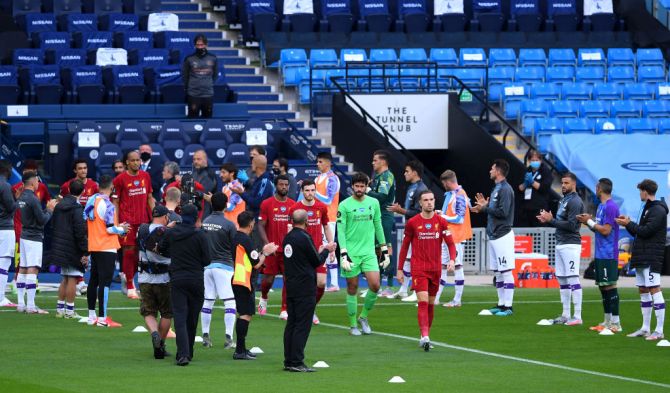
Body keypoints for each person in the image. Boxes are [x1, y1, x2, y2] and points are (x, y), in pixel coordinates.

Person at [397, 190, 457, 350]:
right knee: (422, 302)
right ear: (420, 203)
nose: (429, 202)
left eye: (431, 199)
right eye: (426, 200)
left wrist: (452, 259)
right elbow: (404, 247)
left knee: (431, 304)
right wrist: (400, 269)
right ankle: (425, 335)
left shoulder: (441, 222)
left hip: (435, 269)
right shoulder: (413, 222)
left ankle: (425, 336)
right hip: (419, 269)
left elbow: (450, 243)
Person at [282, 209, 335, 372]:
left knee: (292, 324)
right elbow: (316, 261)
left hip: (291, 285)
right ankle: (297, 361)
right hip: (305, 287)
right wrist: (327, 249)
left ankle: (289, 360)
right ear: (307, 221)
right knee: (302, 325)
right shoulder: (304, 238)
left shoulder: (288, 238)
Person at [158, 204, 211, 366]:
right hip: (196, 278)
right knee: (192, 318)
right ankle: (189, 351)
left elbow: (161, 248)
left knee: (180, 317)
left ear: (181, 217)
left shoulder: (172, 233)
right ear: (196, 218)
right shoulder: (200, 235)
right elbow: (207, 260)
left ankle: (183, 354)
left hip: (178, 277)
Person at [616, 179, 668, 341]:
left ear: (646, 191)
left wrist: (629, 223)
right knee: (643, 290)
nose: (639, 194)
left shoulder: (658, 210)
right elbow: (639, 233)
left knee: (654, 289)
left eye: (640, 191)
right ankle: (645, 328)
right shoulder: (648, 208)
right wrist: (629, 224)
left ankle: (659, 331)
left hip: (651, 256)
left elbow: (646, 231)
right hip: (642, 255)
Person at [338, 172, 388, 336]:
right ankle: (353, 325)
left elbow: (378, 225)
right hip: (351, 253)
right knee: (352, 288)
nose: (359, 189)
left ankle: (363, 317)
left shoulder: (373, 203)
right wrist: (343, 252)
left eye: (362, 186)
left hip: (369, 252)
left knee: (375, 285)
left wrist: (384, 248)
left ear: (367, 186)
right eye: (357, 186)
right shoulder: (344, 205)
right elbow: (341, 230)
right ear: (352, 186)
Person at [537, 172, 585, 326]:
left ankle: (577, 316)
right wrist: (550, 220)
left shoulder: (575, 202)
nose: (563, 186)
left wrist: (552, 221)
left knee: (572, 278)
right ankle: (565, 314)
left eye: (566, 183)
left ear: (574, 184)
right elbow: (560, 222)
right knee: (563, 279)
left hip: (571, 244)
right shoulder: (564, 200)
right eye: (562, 183)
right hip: (561, 243)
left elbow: (572, 225)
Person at [471, 159, 516, 316]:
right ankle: (501, 304)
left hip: (503, 235)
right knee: (498, 271)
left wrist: (485, 208)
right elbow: (493, 211)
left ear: (498, 171)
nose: (489, 171)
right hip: (494, 235)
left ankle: (509, 306)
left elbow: (503, 213)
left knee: (506, 270)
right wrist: (484, 208)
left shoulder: (505, 189)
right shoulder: (497, 188)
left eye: (491, 168)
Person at [231, 211, 278, 360]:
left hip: (238, 278)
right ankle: (239, 350)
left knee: (244, 313)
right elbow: (257, 264)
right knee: (245, 314)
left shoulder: (236, 237)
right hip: (243, 280)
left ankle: (242, 348)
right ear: (251, 224)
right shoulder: (245, 239)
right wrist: (266, 252)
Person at [577, 178, 622, 332]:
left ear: (599, 188)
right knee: (603, 287)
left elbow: (606, 230)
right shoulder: (602, 206)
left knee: (610, 285)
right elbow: (598, 229)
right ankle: (607, 322)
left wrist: (589, 222)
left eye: (596, 188)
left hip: (609, 253)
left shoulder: (611, 207)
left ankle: (616, 323)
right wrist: (587, 221)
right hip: (601, 252)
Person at [84, 175, 130, 327]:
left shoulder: (92, 200)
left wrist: (118, 226)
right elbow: (110, 229)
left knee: (93, 281)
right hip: (107, 247)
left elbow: (98, 222)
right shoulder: (108, 204)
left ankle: (91, 316)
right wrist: (121, 229)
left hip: (94, 246)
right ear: (111, 188)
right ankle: (103, 319)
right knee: (105, 283)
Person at [289, 179, 334, 325]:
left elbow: (326, 227)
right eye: (307, 190)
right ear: (302, 191)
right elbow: (290, 230)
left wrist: (331, 246)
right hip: (301, 254)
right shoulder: (295, 208)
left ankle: (311, 308)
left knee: (321, 283)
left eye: (313, 190)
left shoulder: (321, 207)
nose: (310, 193)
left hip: (318, 252)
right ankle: (295, 310)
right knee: (303, 285)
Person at [113, 150, 155, 299]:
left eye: (138, 160)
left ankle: (128, 277)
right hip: (127, 223)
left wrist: (157, 216)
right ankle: (131, 286)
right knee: (129, 252)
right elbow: (115, 202)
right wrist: (116, 222)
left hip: (143, 222)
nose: (137, 163)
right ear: (127, 163)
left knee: (141, 255)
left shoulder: (146, 176)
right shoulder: (120, 179)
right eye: (133, 160)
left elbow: (150, 197)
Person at [200, 192, 238, 349]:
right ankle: (229, 337)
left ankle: (205, 335)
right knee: (230, 301)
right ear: (225, 205)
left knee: (208, 300)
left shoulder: (205, 222)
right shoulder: (229, 224)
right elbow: (235, 247)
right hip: (224, 267)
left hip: (207, 267)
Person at [16, 171, 58, 314]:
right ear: (33, 182)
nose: (39, 183)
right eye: (37, 181)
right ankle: (31, 306)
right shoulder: (33, 199)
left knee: (23, 267)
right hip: (33, 238)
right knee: (32, 269)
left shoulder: (21, 196)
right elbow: (42, 220)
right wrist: (50, 210)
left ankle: (21, 304)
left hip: (24, 235)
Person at [387, 160, 427, 300]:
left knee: (416, 260)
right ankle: (404, 289)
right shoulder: (413, 187)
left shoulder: (421, 189)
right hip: (410, 227)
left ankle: (417, 291)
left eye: (407, 171)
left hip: (419, 229)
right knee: (408, 260)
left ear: (414, 173)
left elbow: (419, 212)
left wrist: (400, 210)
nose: (404, 173)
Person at [138, 205, 173, 359]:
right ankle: (161, 344)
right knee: (166, 313)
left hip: (145, 277)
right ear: (165, 217)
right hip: (164, 278)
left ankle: (154, 333)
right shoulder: (168, 233)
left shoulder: (142, 229)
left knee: (148, 311)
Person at [257, 175, 295, 319]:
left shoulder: (293, 204)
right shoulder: (267, 204)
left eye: (286, 185)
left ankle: (284, 309)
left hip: (288, 251)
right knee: (268, 280)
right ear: (276, 186)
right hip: (272, 250)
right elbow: (261, 225)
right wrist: (267, 244)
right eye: (281, 185)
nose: (284, 187)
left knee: (288, 279)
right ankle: (264, 297)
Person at [435, 170, 472, 308]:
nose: (443, 185)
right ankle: (436, 298)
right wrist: (441, 214)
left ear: (448, 182)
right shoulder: (451, 195)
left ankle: (457, 300)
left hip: (456, 237)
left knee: (457, 266)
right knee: (443, 266)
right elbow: (450, 214)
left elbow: (459, 218)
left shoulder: (460, 195)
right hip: (448, 236)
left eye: (444, 183)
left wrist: (442, 217)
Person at [52, 180, 88, 319]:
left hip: (60, 245)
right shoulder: (77, 208)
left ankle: (60, 309)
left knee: (65, 278)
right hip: (72, 246)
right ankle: (69, 311)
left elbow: (54, 224)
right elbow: (79, 230)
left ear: (68, 189)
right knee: (72, 277)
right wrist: (85, 249)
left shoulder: (59, 205)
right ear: (82, 192)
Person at [367, 151, 396, 298]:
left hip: (385, 215)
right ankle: (375, 285)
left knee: (386, 248)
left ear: (383, 162)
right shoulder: (378, 177)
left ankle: (390, 286)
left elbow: (382, 197)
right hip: (377, 216)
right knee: (377, 251)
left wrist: (367, 190)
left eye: (375, 160)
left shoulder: (387, 176)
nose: (373, 163)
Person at [314, 152, 341, 292]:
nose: (317, 164)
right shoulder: (318, 178)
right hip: (317, 218)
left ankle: (334, 282)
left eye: (320, 162)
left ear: (328, 163)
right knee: (321, 247)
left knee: (327, 247)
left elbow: (328, 200)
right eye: (317, 162)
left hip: (329, 218)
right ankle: (324, 281)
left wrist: (313, 193)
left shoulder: (333, 179)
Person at [182, 34, 217, 118]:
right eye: (198, 45)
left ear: (206, 44)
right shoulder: (189, 59)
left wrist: (207, 83)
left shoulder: (213, 58)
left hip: (208, 94)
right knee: (192, 119)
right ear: (195, 45)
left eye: (202, 44)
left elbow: (215, 75)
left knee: (207, 119)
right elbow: (185, 76)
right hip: (193, 94)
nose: (200, 47)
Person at [517, 150, 553, 227]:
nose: (535, 162)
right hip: (526, 208)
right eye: (533, 160)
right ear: (529, 161)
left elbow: (544, 188)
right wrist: (525, 184)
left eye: (537, 160)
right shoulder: (526, 170)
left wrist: (532, 182)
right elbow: (520, 188)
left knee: (539, 232)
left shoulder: (545, 171)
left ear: (540, 160)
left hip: (539, 209)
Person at [0, 160, 17, 308]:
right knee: (4, 263)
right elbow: (11, 207)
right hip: (4, 228)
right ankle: (0, 298)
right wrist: (18, 199)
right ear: (7, 169)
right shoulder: (5, 185)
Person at [192, 149, 218, 217]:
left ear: (205, 160)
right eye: (194, 159)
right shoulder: (194, 173)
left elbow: (202, 193)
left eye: (198, 159)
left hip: (206, 213)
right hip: (196, 211)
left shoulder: (209, 175)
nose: (195, 161)